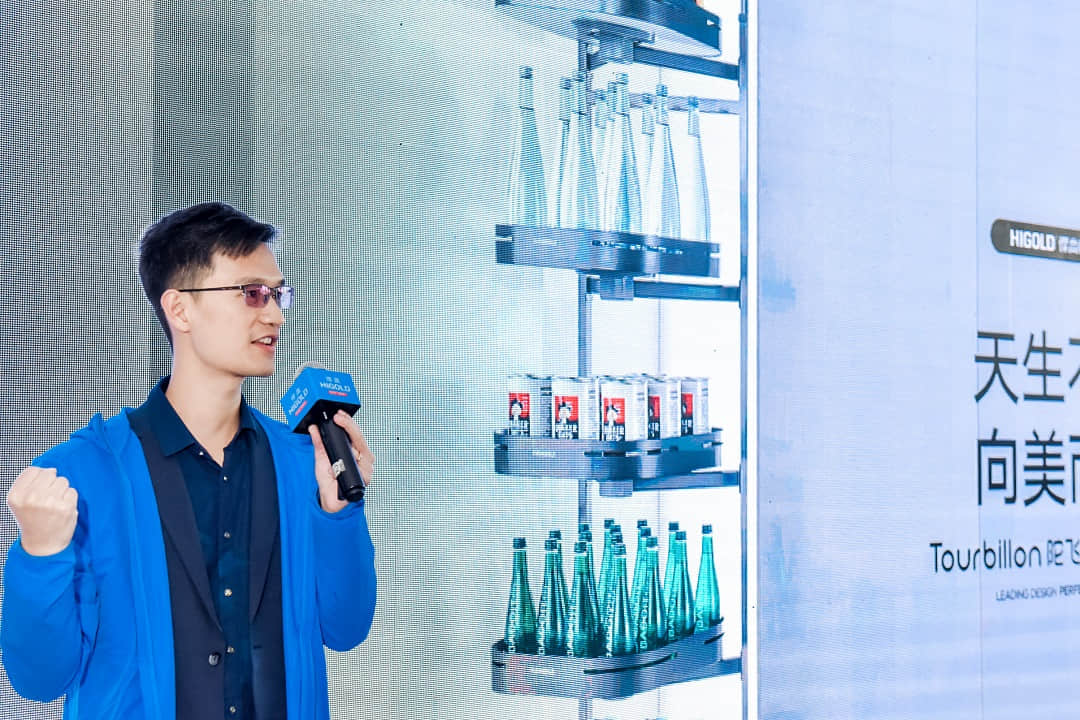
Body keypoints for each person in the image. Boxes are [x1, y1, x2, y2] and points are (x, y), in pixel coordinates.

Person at [1, 202, 377, 719]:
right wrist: (39, 556)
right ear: (180, 310)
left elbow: (346, 628)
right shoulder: (82, 474)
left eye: (278, 294)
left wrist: (339, 515)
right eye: (252, 293)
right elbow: (40, 678)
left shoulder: (301, 460)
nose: (275, 315)